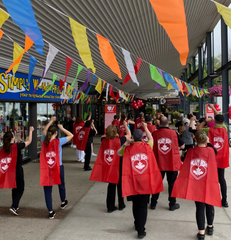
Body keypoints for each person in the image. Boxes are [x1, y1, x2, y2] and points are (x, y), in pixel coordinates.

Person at [172, 130, 221, 240]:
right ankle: (210, 226)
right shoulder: (211, 151)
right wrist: (208, 142)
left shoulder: (190, 152)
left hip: (196, 183)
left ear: (195, 139)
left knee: (199, 207)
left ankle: (201, 233)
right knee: (210, 204)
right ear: (206, 139)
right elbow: (214, 150)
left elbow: (185, 164)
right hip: (209, 183)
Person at [117, 123, 164, 239]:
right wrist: (146, 128)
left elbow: (118, 152)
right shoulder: (148, 146)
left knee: (135, 204)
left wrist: (126, 142)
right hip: (144, 180)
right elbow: (151, 138)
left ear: (133, 137)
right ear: (142, 138)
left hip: (132, 180)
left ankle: (136, 223)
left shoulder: (127, 149)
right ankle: (141, 230)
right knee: (143, 205)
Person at [90, 122, 131, 213]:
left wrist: (110, 134)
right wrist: (125, 125)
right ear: (116, 132)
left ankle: (110, 206)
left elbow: (104, 136)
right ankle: (121, 204)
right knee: (120, 185)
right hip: (119, 165)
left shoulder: (103, 140)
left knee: (111, 186)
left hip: (110, 166)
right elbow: (129, 135)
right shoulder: (120, 140)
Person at [40, 116, 73, 219]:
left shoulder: (43, 140)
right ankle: (63, 202)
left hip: (47, 168)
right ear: (56, 133)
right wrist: (62, 128)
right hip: (58, 167)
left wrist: (50, 121)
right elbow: (71, 135)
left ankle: (50, 212)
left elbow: (44, 130)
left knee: (47, 189)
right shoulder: (59, 141)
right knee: (61, 184)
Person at [197, 104, 229, 208]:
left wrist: (206, 121)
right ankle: (224, 200)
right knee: (221, 179)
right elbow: (219, 117)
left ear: (214, 122)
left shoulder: (208, 130)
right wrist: (214, 109)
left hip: (211, 159)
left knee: (209, 178)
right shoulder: (225, 129)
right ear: (223, 122)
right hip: (222, 159)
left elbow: (198, 128)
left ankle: (209, 198)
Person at [151, 115, 185, 211]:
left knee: (157, 183)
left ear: (159, 123)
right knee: (172, 184)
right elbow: (182, 146)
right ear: (168, 123)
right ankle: (172, 204)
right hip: (172, 163)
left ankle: (153, 203)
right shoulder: (174, 133)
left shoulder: (154, 134)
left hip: (159, 163)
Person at [0, 127, 34, 215]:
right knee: (21, 188)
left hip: (9, 172)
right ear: (12, 138)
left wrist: (18, 143)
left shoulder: (4, 148)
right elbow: (29, 141)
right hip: (17, 170)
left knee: (14, 187)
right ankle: (14, 206)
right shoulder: (17, 146)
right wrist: (30, 131)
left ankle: (14, 204)